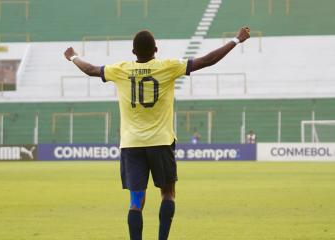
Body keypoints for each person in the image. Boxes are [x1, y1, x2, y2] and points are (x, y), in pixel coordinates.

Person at [64, 27, 250, 240]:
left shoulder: (120, 69)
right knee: (168, 194)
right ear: (156, 49)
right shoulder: (167, 66)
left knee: (136, 201)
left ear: (133, 52)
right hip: (161, 142)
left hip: (132, 144)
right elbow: (207, 60)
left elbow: (90, 69)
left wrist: (73, 57)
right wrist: (236, 40)